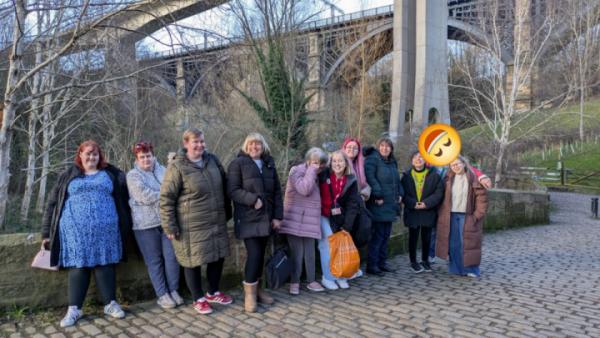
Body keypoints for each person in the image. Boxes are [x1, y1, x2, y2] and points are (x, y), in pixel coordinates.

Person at [41, 140, 131, 327]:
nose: (91, 157)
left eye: (95, 154)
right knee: (78, 265)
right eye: (88, 153)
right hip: (75, 232)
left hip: (106, 231)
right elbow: (52, 203)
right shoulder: (69, 175)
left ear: (100, 156)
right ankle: (75, 309)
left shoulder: (112, 174)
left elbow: (127, 196)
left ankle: (110, 303)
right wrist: (46, 234)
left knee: (105, 263)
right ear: (80, 155)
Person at [160, 128, 233, 315]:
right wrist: (169, 225)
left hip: (216, 220)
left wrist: (228, 211)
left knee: (218, 256)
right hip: (190, 225)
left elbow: (225, 185)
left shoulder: (212, 161)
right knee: (192, 260)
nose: (200, 145)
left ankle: (212, 292)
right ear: (186, 144)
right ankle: (198, 298)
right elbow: (166, 198)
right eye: (195, 142)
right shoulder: (177, 167)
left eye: (202, 141)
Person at [227, 133, 284, 312]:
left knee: (262, 256)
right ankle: (249, 295)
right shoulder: (237, 163)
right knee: (255, 254)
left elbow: (277, 191)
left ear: (263, 146)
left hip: (266, 218)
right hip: (248, 218)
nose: (254, 147)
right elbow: (233, 190)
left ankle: (258, 290)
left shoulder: (269, 163)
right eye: (251, 144)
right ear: (246, 146)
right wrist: (252, 200)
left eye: (258, 144)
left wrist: (277, 216)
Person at [126, 141, 182, 309]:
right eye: (142, 157)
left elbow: (176, 188)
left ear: (153, 155)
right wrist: (166, 194)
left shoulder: (164, 170)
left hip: (166, 221)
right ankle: (162, 294)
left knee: (171, 258)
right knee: (154, 261)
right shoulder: (133, 175)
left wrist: (168, 193)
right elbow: (144, 196)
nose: (146, 159)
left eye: (148, 156)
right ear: (137, 158)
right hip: (144, 225)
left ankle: (173, 290)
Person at [280, 148, 328, 295]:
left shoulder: (318, 174)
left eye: (321, 164)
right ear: (308, 161)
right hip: (295, 218)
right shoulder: (296, 171)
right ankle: (294, 282)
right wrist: (312, 170)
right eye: (315, 163)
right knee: (297, 252)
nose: (318, 166)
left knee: (310, 251)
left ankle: (311, 280)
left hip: (310, 219)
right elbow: (304, 189)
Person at [436, 156, 488, 277]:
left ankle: (471, 270)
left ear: (464, 164)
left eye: (458, 164)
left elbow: (482, 199)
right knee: (454, 244)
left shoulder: (474, 178)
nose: (456, 166)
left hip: (467, 216)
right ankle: (456, 268)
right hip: (451, 215)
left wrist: (476, 216)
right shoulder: (447, 178)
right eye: (453, 165)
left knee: (469, 244)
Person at [318, 151, 361, 290]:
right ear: (330, 162)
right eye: (335, 161)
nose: (337, 164)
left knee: (340, 245)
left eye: (340, 161)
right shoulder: (324, 175)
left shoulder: (351, 180)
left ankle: (340, 275)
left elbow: (353, 204)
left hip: (339, 217)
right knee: (327, 243)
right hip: (323, 215)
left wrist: (347, 225)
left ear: (346, 163)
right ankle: (328, 277)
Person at [364, 137, 403, 276]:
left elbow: (397, 181)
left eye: (388, 146)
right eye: (382, 145)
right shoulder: (372, 159)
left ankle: (382, 262)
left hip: (391, 204)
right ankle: (372, 265)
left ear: (391, 149)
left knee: (386, 235)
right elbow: (370, 177)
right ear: (378, 147)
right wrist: (378, 195)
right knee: (377, 236)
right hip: (378, 203)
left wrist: (400, 194)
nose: (385, 148)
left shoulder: (392, 162)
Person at [400, 151, 444, 273]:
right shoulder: (406, 176)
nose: (418, 159)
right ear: (411, 160)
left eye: (421, 157)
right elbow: (403, 193)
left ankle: (425, 261)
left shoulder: (434, 175)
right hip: (412, 210)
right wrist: (414, 203)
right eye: (415, 157)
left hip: (428, 210)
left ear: (425, 160)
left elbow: (439, 192)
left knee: (427, 237)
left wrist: (426, 203)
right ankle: (413, 262)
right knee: (413, 238)